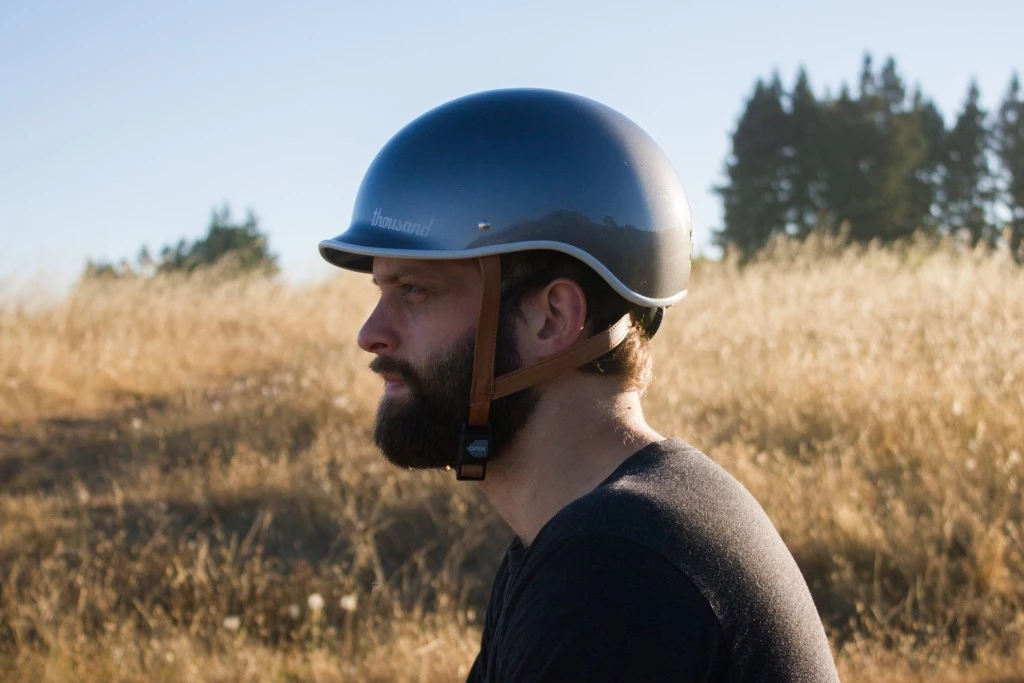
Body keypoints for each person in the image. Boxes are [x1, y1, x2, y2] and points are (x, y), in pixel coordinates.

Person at [319, 88, 839, 682]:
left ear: (553, 319)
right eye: (380, 292)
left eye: (414, 290)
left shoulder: (618, 572)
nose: (371, 334)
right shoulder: (586, 537)